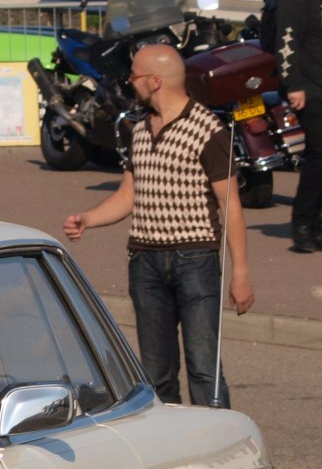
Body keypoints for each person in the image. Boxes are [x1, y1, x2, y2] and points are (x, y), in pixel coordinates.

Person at [62, 43, 253, 408]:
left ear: (154, 80)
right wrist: (88, 218)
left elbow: (231, 206)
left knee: (204, 369)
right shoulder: (140, 130)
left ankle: (217, 448)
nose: (129, 83)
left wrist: (240, 273)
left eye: (133, 76)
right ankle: (171, 447)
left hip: (195, 259)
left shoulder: (208, 130)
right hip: (145, 263)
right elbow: (128, 196)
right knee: (156, 372)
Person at [268, 0, 322, 252]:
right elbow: (286, 42)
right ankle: (302, 224)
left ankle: (318, 226)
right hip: (310, 89)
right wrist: (294, 85)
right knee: (319, 155)